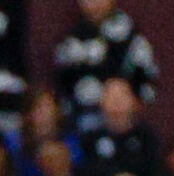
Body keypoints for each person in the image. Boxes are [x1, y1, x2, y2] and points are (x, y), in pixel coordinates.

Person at [54, 1, 158, 137]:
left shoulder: (131, 36)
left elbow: (146, 80)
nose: (94, 3)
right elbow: (63, 84)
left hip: (126, 128)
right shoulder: (71, 41)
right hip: (82, 126)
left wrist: (123, 103)